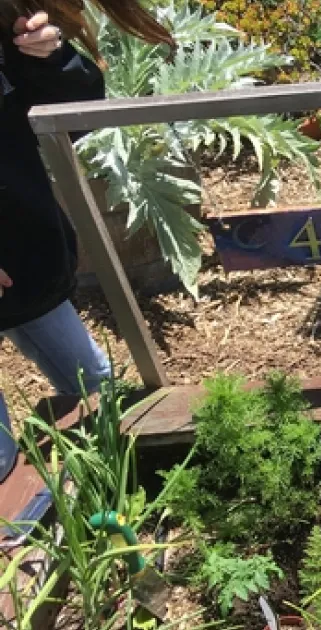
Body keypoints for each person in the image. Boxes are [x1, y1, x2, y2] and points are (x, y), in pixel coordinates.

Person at [0, 0, 173, 482]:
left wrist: (51, 58)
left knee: (101, 394)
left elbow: (81, 118)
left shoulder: (8, 26)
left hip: (26, 263)